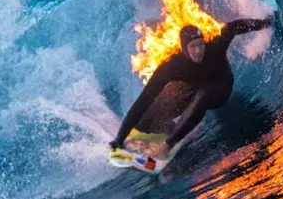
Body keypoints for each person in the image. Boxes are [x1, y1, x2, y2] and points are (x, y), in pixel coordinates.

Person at [110, 17, 273, 155]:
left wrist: (266, 22)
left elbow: (233, 27)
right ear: (184, 49)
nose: (198, 50)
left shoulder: (214, 48)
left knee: (203, 94)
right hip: (193, 89)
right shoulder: (173, 66)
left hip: (220, 89)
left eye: (200, 44)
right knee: (151, 114)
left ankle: (168, 143)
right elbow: (144, 99)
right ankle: (169, 129)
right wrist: (120, 137)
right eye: (193, 47)